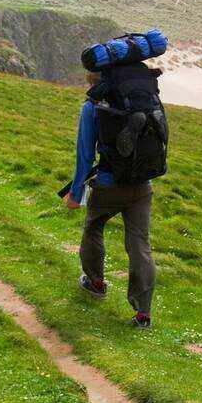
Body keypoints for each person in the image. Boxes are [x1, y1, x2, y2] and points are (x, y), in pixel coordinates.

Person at [64, 69, 158, 328]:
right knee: (139, 244)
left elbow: (85, 156)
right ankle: (143, 313)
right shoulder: (145, 99)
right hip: (142, 184)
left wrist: (75, 193)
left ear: (91, 78)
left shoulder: (92, 107)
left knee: (94, 227)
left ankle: (95, 283)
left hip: (107, 184)